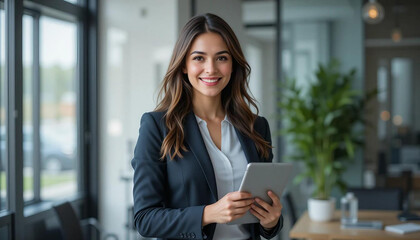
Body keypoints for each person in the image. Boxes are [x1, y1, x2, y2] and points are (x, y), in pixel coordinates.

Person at [131, 13, 283, 240]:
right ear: (184, 65)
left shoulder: (256, 127)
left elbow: (264, 218)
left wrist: (271, 221)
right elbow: (145, 219)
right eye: (199, 58)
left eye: (221, 58)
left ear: (233, 65)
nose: (211, 69)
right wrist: (209, 213)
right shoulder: (157, 126)